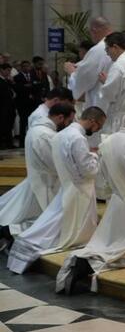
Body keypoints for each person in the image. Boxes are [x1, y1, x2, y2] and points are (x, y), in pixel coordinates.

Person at [56, 104, 125, 295]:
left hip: (117, 204)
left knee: (110, 244)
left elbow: (102, 173)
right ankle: (88, 265)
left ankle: (85, 260)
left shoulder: (108, 141)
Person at [7, 107, 106, 274]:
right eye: (99, 126)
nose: (97, 130)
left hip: (67, 186)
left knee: (53, 222)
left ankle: (23, 245)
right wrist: (96, 156)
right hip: (80, 190)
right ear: (92, 121)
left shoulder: (61, 134)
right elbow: (88, 170)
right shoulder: (78, 138)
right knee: (61, 229)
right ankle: (27, 242)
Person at [0, 103, 75, 252]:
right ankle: (8, 231)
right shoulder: (46, 135)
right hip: (47, 183)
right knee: (47, 223)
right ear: (60, 117)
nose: (69, 125)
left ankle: (8, 231)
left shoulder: (36, 129)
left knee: (43, 220)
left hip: (39, 180)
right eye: (69, 121)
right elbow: (54, 164)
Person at [65, 17, 114, 145]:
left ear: (94, 30)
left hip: (100, 103)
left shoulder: (99, 49)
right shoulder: (124, 47)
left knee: (97, 142)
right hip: (115, 104)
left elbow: (84, 80)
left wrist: (72, 73)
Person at [0, 63, 14, 149]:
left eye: (10, 71)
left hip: (9, 107)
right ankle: (2, 144)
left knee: (9, 126)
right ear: (2, 70)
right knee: (2, 126)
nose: (9, 72)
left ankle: (9, 144)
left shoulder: (7, 80)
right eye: (7, 70)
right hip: (2, 107)